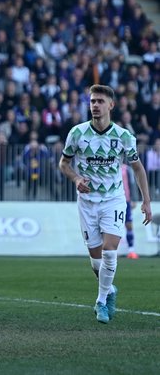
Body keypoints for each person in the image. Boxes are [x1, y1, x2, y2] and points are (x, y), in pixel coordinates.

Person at [59, 84, 152, 324]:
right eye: (92, 101)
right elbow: (64, 164)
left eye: (100, 101)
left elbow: (138, 168)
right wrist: (77, 178)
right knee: (96, 261)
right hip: (87, 202)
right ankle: (110, 290)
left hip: (113, 199)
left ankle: (100, 301)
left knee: (110, 252)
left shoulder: (123, 137)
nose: (95, 105)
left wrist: (146, 200)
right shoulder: (77, 134)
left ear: (111, 105)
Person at [121, 163, 138, 259]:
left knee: (128, 225)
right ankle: (111, 251)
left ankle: (131, 250)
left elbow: (132, 183)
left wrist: (134, 199)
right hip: (112, 201)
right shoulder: (108, 165)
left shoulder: (126, 169)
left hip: (126, 200)